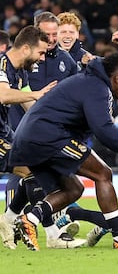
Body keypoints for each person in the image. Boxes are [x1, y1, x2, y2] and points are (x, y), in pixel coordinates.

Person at [8, 52, 118, 251]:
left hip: (28, 140)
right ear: (117, 78)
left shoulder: (88, 81)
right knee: (103, 173)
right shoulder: (98, 88)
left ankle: (30, 219)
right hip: (47, 137)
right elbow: (104, 131)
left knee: (73, 189)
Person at [0, 26, 57, 249]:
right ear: (25, 48)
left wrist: (52, 122)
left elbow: (27, 104)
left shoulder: (21, 71)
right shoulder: (2, 64)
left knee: (34, 169)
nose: (42, 59)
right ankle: (51, 233)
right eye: (40, 53)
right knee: (32, 170)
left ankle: (9, 218)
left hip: (5, 133)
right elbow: (3, 96)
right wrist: (36, 93)